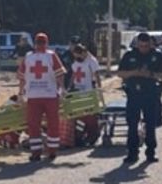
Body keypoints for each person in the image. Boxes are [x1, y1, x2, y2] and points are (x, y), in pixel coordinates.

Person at [117, 32, 162, 164]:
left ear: (150, 44)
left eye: (146, 46)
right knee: (132, 125)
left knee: (150, 125)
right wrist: (134, 73)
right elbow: (120, 73)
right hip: (133, 94)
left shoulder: (156, 55)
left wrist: (150, 75)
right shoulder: (130, 55)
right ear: (137, 44)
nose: (143, 48)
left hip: (150, 94)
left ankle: (150, 152)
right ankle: (132, 153)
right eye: (141, 46)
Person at [18, 32, 65, 162]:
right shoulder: (51, 55)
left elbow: (22, 77)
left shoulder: (28, 57)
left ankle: (36, 153)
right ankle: (52, 151)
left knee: (33, 125)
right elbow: (59, 74)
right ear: (47, 43)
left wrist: (20, 93)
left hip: (33, 95)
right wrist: (62, 89)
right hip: (50, 95)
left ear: (34, 43)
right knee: (53, 123)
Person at [70, 43, 102, 146]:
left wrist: (99, 89)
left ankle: (93, 135)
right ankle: (80, 135)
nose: (77, 58)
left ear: (83, 53)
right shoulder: (77, 61)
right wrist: (69, 87)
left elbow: (97, 75)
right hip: (78, 92)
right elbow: (74, 74)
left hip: (89, 92)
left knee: (90, 115)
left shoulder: (91, 61)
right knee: (79, 115)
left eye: (79, 55)